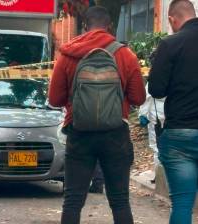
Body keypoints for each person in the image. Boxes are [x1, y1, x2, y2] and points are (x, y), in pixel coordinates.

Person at [49, 6, 145, 224]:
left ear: (84, 26)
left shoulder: (67, 54)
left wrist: (78, 105)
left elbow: (54, 99)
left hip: (79, 132)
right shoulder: (125, 55)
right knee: (120, 201)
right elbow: (139, 97)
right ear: (110, 26)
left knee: (72, 201)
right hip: (115, 134)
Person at [148, 0, 198, 223]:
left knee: (182, 204)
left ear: (172, 19)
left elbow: (157, 90)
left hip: (180, 135)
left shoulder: (170, 45)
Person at [138, 83, 165, 184]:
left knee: (156, 147)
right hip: (175, 118)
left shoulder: (158, 76)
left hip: (157, 117)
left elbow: (146, 97)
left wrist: (143, 114)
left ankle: (159, 175)